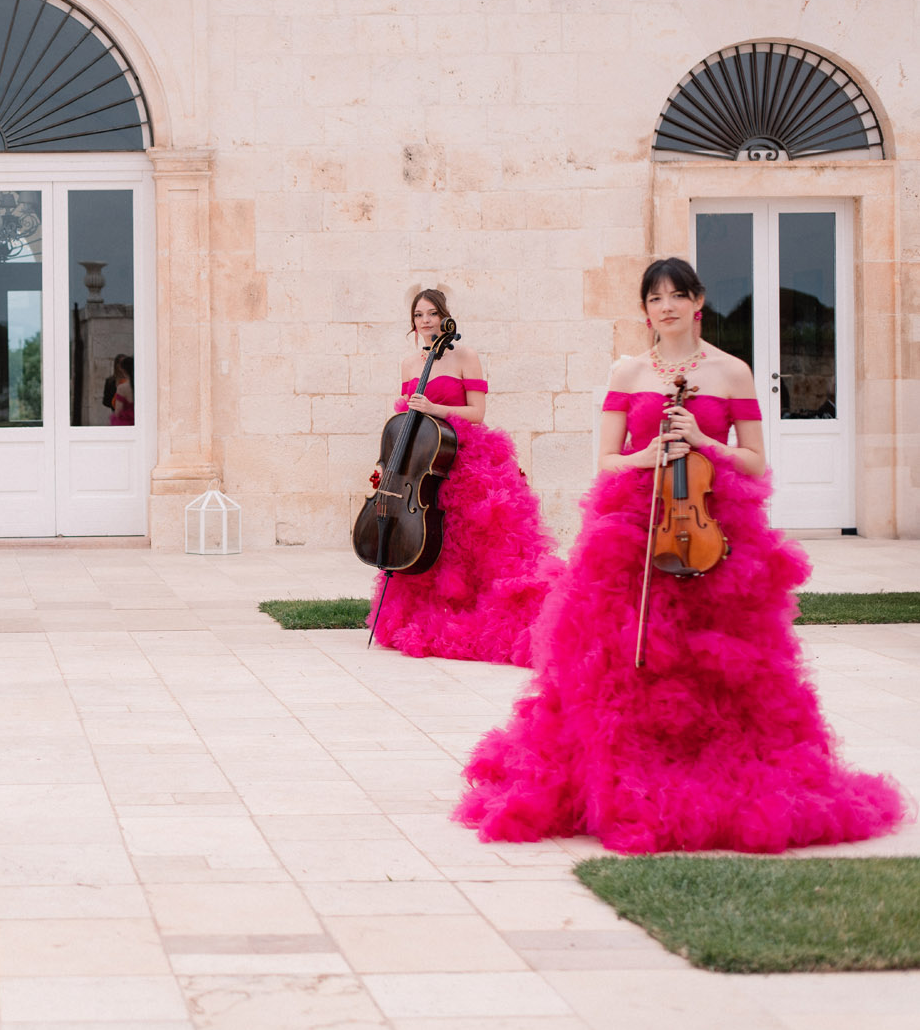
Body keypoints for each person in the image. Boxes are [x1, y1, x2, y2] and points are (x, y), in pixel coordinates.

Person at [455, 258, 907, 853]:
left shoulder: (731, 372)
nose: (665, 306)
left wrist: (701, 440)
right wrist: (647, 456)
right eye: (654, 298)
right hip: (632, 525)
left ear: (698, 302)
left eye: (676, 295)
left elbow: (755, 462)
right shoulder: (629, 371)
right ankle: (621, 767)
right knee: (622, 649)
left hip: (714, 525)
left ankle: (713, 760)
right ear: (645, 310)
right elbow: (608, 460)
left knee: (717, 652)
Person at [366, 289, 560, 666]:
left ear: (444, 317)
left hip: (463, 454)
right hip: (419, 461)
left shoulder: (465, 357)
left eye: (432, 313)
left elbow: (477, 412)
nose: (425, 321)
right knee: (425, 532)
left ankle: (472, 611)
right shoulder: (409, 364)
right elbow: (405, 418)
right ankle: (428, 611)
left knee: (468, 537)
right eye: (418, 315)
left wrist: (435, 408)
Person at [108, 354, 135, 427]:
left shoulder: (122, 388)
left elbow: (118, 411)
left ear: (123, 370)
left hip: (126, 423)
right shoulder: (142, 386)